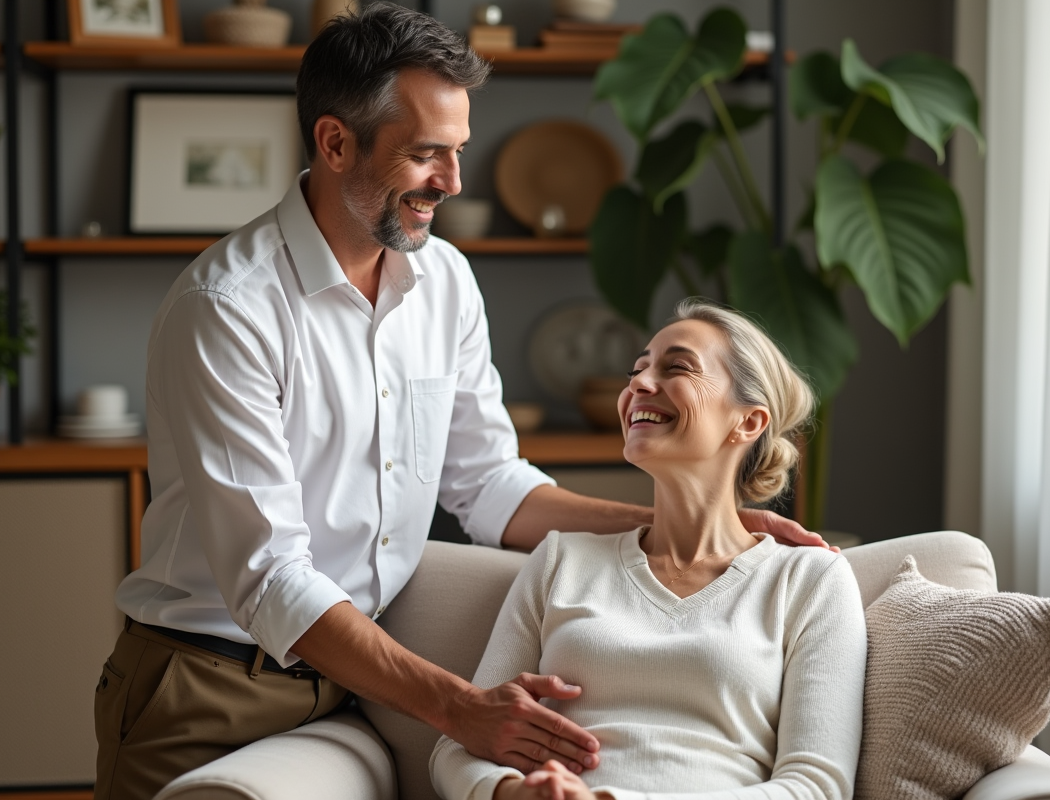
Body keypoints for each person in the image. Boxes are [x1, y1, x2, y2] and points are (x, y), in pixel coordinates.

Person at [92, 6, 829, 800]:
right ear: (335, 143)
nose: (453, 181)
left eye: (458, 151)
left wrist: (690, 528)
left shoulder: (442, 281)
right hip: (211, 681)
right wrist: (462, 709)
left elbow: (490, 488)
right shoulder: (227, 308)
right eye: (425, 155)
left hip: (353, 689)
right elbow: (272, 577)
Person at [431, 299, 868, 800]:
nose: (637, 384)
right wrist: (513, 793)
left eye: (676, 367)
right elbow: (460, 744)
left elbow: (817, 787)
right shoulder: (559, 561)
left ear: (748, 423)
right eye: (636, 370)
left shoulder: (809, 579)